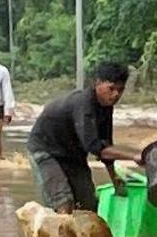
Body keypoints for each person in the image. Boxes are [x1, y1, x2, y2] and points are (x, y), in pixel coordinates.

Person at [26, 60, 130, 219]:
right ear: (98, 83)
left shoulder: (106, 107)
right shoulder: (83, 104)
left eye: (120, 90)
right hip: (45, 151)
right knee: (63, 203)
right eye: (111, 88)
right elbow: (93, 146)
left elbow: (106, 147)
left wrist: (114, 179)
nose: (116, 94)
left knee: (89, 206)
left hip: (72, 155)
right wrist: (134, 156)